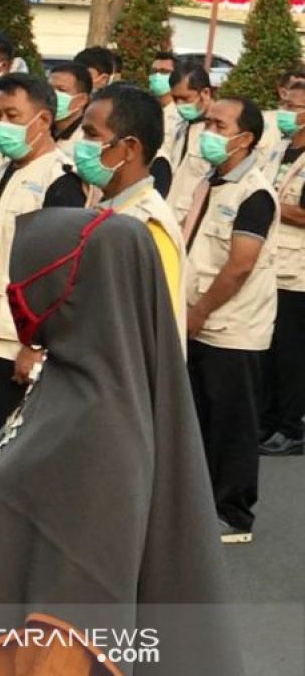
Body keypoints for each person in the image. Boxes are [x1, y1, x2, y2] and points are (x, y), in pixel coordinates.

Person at [0, 208, 245, 676]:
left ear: (73, 291)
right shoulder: (69, 385)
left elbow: (77, 615)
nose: (16, 294)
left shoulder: (99, 426)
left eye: (27, 279)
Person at [0, 73, 86, 452]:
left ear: (41, 121)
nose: (0, 125)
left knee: (15, 448)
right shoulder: (5, 169)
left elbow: (61, 273)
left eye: (12, 115)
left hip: (16, 339)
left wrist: (37, 344)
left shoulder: (60, 181)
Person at [182, 97, 278, 544]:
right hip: (196, 320)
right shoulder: (209, 181)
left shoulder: (254, 192)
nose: (209, 130)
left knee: (232, 423)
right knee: (201, 417)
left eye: (219, 125)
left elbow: (239, 265)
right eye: (208, 122)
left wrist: (199, 312)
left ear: (245, 139)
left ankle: (234, 514)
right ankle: (200, 506)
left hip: (232, 327)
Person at [76, 83, 186, 348]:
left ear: (129, 148)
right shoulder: (107, 208)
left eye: (92, 136)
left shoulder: (148, 226)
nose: (83, 146)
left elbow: (153, 327)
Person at [261, 83, 305, 457]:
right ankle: (269, 421)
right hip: (270, 262)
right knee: (271, 349)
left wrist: (270, 203)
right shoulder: (279, 148)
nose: (286, 109)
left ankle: (291, 427)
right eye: (284, 102)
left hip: (299, 270)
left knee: (291, 353)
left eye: (294, 104)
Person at [164, 63, 216, 219]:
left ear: (205, 93)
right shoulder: (179, 126)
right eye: (175, 99)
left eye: (185, 98)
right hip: (170, 213)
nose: (180, 105)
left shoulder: (217, 134)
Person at [47, 62, 91, 155]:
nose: (52, 95)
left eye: (61, 90)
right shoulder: (39, 129)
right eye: (49, 88)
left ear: (82, 99)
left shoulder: (87, 140)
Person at [149, 50, 183, 156]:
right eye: (154, 71)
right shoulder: (146, 109)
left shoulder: (181, 114)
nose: (157, 76)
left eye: (164, 72)